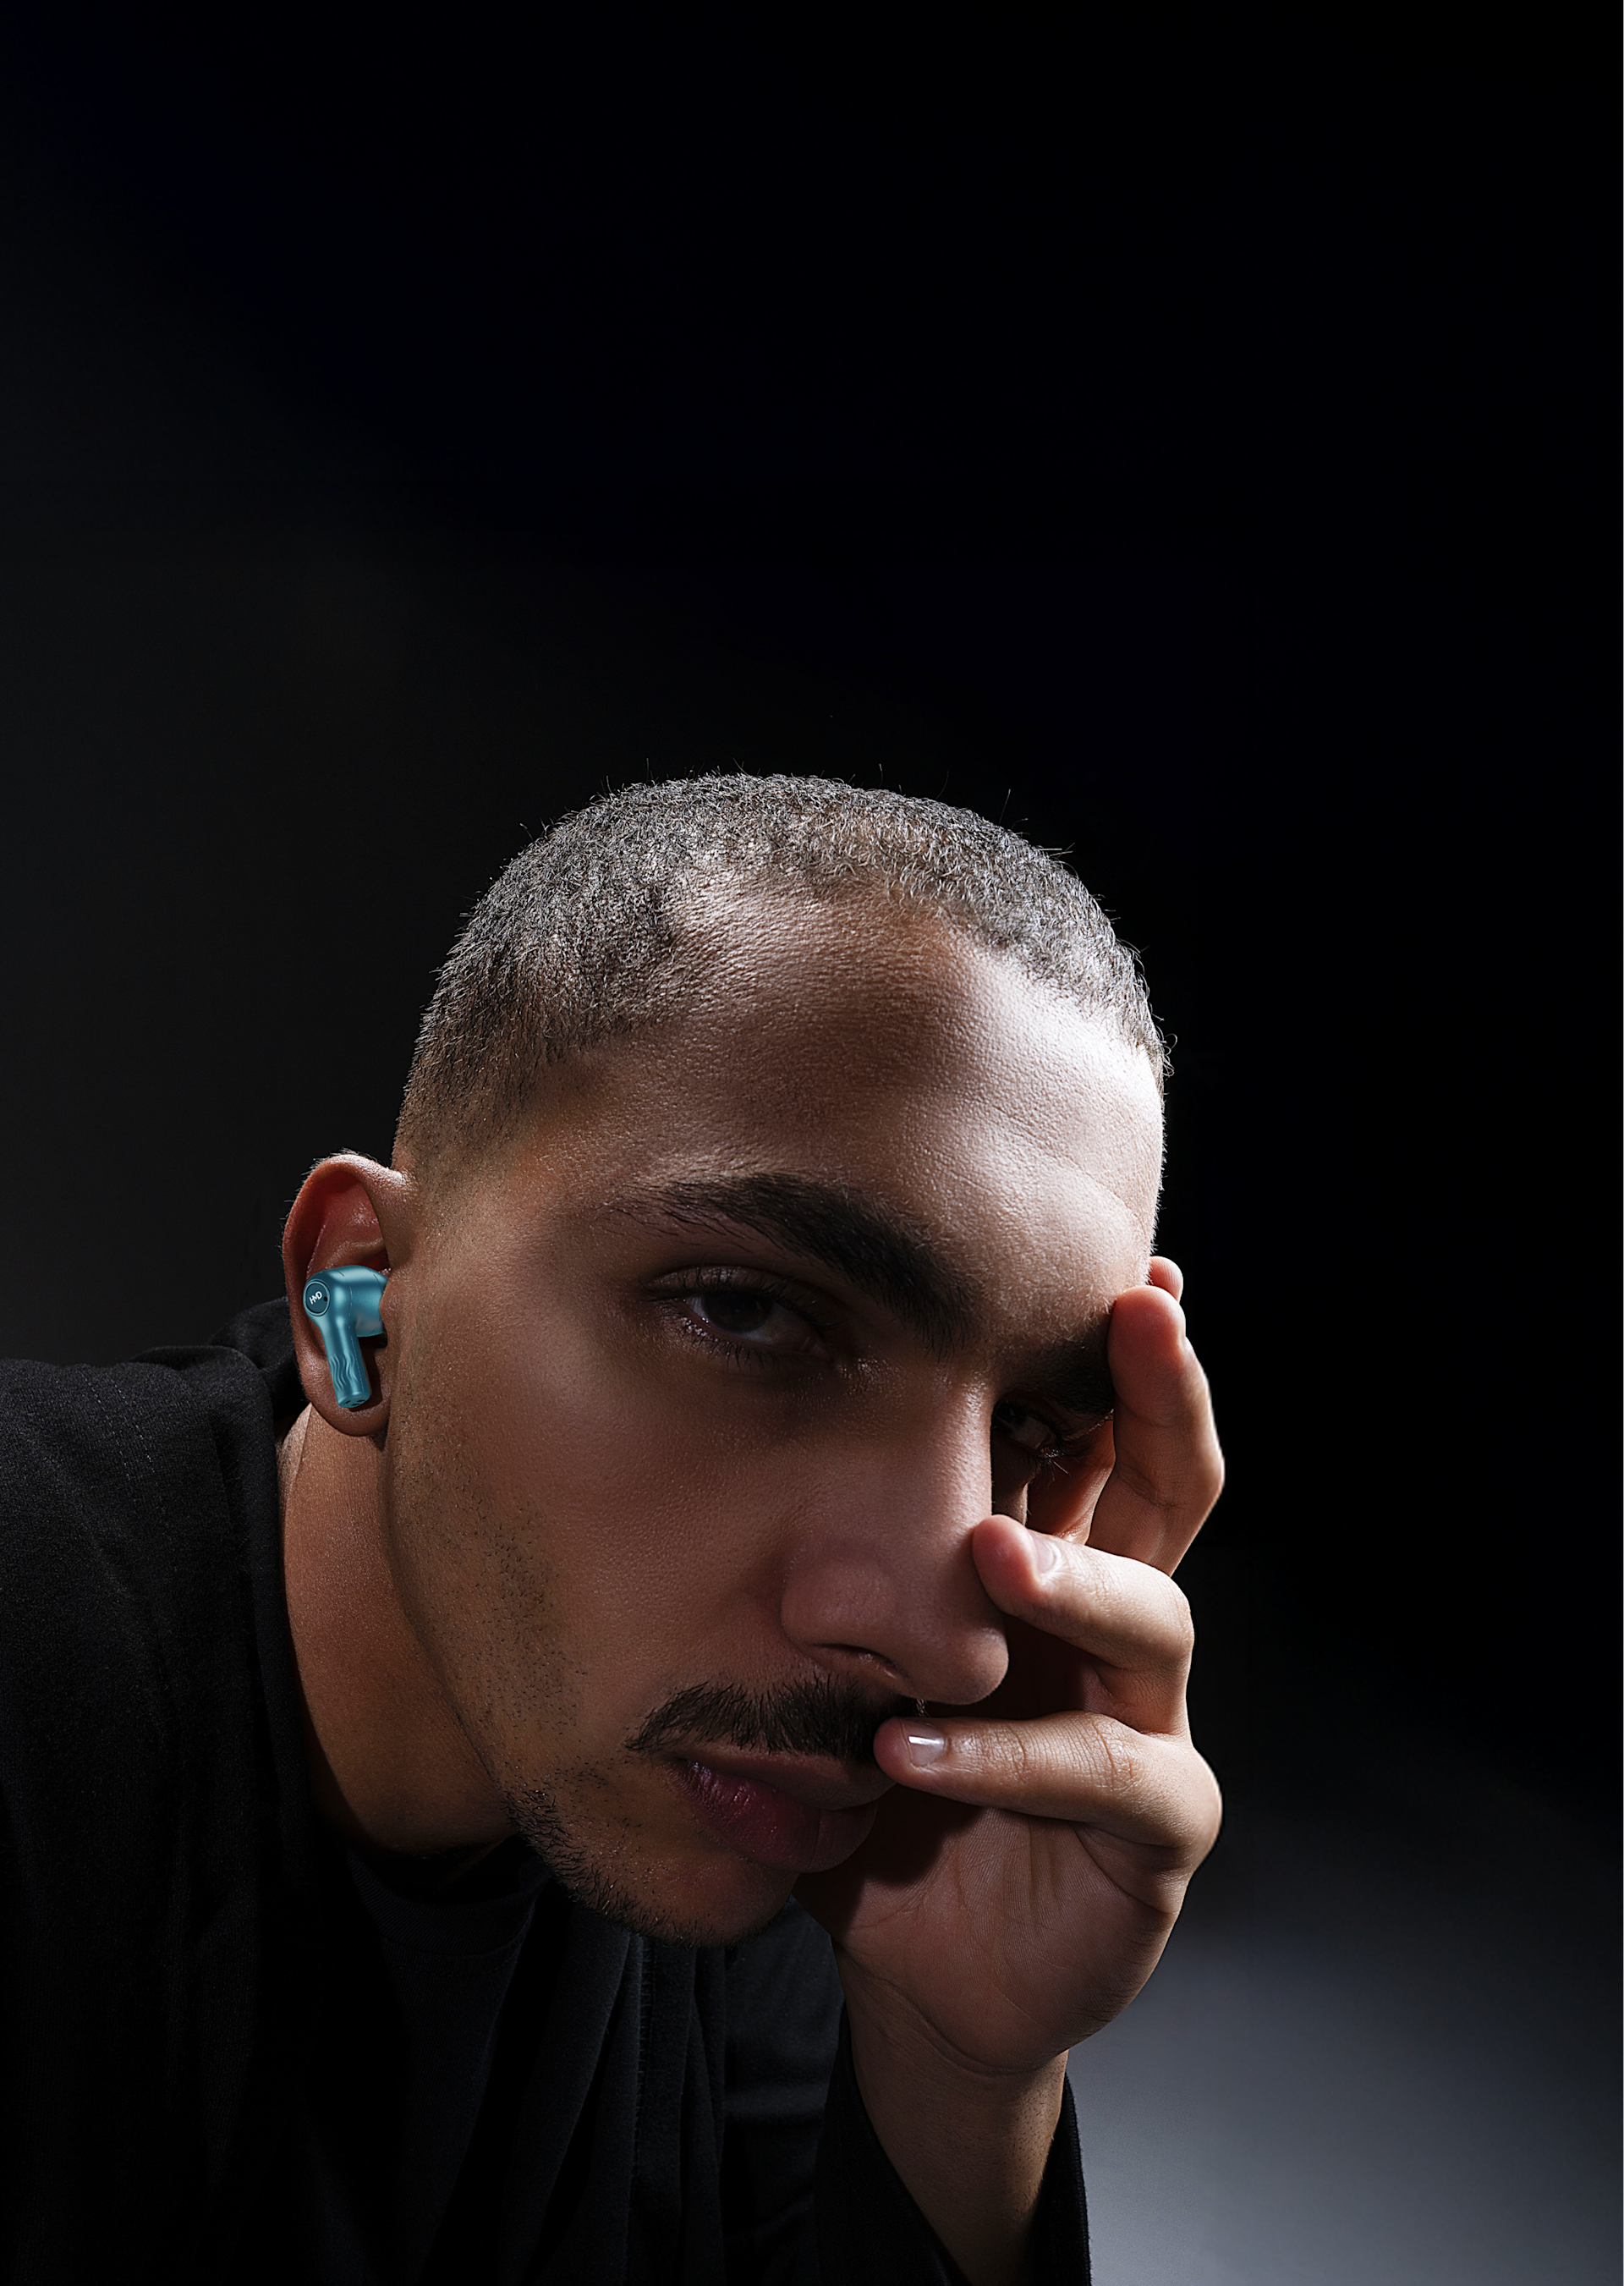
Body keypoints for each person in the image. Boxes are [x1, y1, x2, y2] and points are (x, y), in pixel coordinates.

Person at [0, 775, 1223, 2285]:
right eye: (749, 1312)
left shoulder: (775, 1862)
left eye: (1030, 1430)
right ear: (361, 1304)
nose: (953, 1639)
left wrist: (962, 2081)